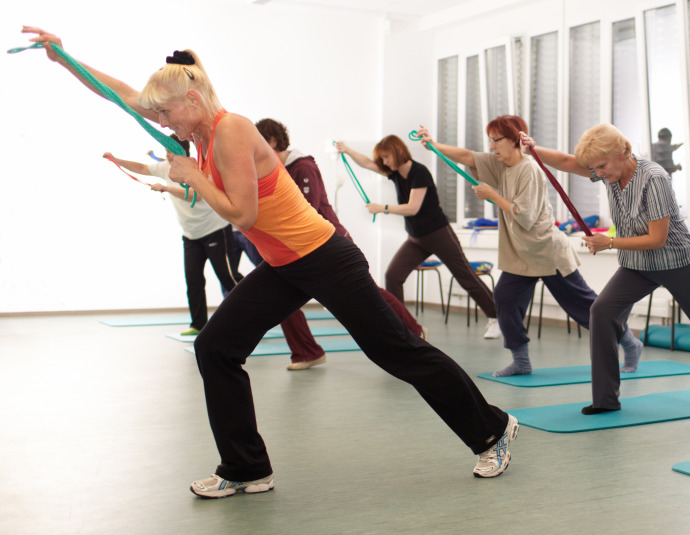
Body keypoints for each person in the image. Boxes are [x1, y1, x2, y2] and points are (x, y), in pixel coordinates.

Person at [24, 27, 519, 497]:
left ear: (192, 100)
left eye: (167, 114)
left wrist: (193, 178)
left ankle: (492, 430)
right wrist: (64, 56)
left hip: (325, 256)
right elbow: (124, 94)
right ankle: (245, 469)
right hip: (284, 263)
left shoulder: (231, 131)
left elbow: (242, 212)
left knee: (398, 352)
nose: (161, 122)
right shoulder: (197, 131)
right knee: (216, 347)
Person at [527, 123, 690, 414]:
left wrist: (608, 243)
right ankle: (606, 400)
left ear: (623, 152)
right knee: (602, 311)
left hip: (676, 261)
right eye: (594, 168)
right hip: (637, 265)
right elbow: (565, 161)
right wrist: (532, 147)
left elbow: (656, 239)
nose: (598, 173)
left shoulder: (654, 178)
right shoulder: (609, 171)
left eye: (602, 166)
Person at [414, 116, 643, 377]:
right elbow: (467, 156)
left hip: (547, 252)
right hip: (521, 255)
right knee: (505, 300)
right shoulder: (501, 165)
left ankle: (629, 342)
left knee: (584, 308)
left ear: (515, 140)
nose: (491, 147)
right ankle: (521, 361)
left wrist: (492, 195)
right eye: (490, 141)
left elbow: (524, 216)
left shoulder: (529, 170)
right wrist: (433, 144)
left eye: (496, 140)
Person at [255, 118, 428, 341]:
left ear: (272, 140)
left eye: (260, 141)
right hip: (307, 247)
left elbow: (309, 209)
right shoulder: (281, 171)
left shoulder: (303, 167)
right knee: (281, 297)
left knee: (369, 293)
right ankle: (306, 352)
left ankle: (414, 330)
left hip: (332, 241)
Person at [336, 137, 501, 339]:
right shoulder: (395, 173)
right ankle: (400, 325)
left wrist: (383, 208)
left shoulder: (419, 172)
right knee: (393, 275)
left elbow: (413, 208)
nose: (384, 162)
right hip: (416, 239)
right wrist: (348, 150)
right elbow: (368, 164)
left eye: (386, 157)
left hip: (439, 234)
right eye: (382, 158)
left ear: (397, 152)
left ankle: (498, 317)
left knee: (465, 276)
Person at [103, 135, 237, 336]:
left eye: (169, 150)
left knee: (227, 277)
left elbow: (197, 196)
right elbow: (142, 168)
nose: (166, 153)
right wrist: (117, 160)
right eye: (165, 149)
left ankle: (254, 313)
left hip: (214, 230)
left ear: (181, 151)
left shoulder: (196, 168)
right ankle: (198, 324)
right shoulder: (166, 166)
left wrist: (166, 188)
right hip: (191, 235)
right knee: (193, 280)